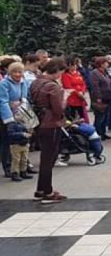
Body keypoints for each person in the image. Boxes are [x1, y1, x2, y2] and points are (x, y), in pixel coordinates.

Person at [30, 58, 67, 203]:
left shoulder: (36, 82)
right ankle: (48, 191)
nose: (60, 76)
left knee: (44, 157)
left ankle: (41, 189)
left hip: (39, 122)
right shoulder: (53, 87)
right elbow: (58, 109)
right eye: (61, 72)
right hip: (51, 123)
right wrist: (65, 99)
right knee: (49, 158)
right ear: (56, 70)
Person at [0, 62, 29, 178]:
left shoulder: (23, 83)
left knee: (21, 141)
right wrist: (9, 119)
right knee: (7, 142)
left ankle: (22, 167)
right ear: (10, 73)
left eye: (20, 72)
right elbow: (3, 101)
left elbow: (25, 97)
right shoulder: (4, 84)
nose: (17, 74)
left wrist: (23, 106)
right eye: (14, 72)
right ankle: (8, 167)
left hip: (20, 114)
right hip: (7, 116)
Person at [90, 57, 111, 140]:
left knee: (106, 116)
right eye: (106, 63)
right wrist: (98, 97)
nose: (107, 64)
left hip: (108, 97)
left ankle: (103, 132)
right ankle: (97, 132)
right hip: (100, 97)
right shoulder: (95, 73)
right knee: (100, 117)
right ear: (101, 64)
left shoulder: (105, 72)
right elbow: (95, 86)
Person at [61, 58, 89, 122]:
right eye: (72, 65)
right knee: (72, 117)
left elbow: (83, 84)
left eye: (75, 65)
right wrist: (78, 93)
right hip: (72, 99)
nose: (74, 67)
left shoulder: (78, 74)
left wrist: (82, 91)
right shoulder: (65, 75)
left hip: (80, 99)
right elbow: (68, 86)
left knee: (82, 117)